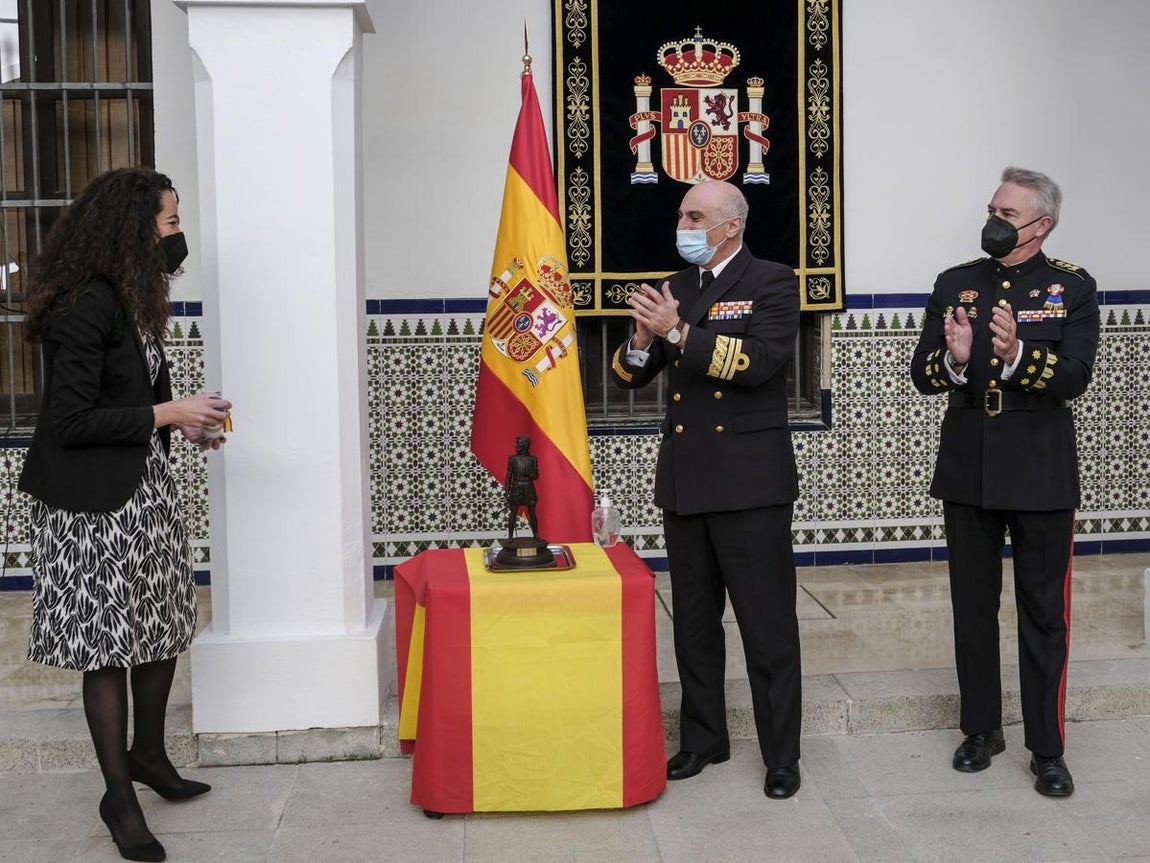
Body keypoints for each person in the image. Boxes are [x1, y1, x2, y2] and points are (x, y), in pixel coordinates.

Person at [19, 167, 233, 861]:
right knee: (109, 645)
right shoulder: (83, 304)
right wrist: (169, 411)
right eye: (170, 222)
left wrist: (186, 426)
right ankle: (119, 793)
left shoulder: (132, 298)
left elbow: (134, 402)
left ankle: (148, 754)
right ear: (134, 228)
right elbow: (73, 421)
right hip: (90, 505)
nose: (178, 234)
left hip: (142, 487)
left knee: (162, 621)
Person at [610, 179, 803, 800]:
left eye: (695, 215)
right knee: (693, 622)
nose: (683, 223)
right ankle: (702, 739)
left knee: (766, 624)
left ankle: (781, 755)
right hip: (687, 478)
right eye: (682, 213)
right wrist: (642, 340)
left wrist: (678, 334)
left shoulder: (772, 281)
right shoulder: (679, 287)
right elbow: (631, 378)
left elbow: (760, 364)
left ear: (730, 226)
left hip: (750, 484)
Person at [910, 166, 1100, 798]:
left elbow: (1074, 377)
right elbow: (922, 375)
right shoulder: (956, 284)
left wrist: (1017, 355)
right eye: (992, 207)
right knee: (972, 606)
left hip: (1041, 467)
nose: (993, 221)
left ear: (1041, 225)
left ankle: (1047, 747)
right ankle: (980, 729)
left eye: (1009, 214)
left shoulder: (1072, 287)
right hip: (968, 466)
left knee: (1044, 613)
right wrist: (957, 361)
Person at [505, 434, 540, 539]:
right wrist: (507, 491)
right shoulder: (512, 459)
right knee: (513, 513)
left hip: (528, 487)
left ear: (525, 445)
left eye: (518, 443)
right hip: (516, 487)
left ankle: (536, 535)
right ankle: (510, 536)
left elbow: (536, 476)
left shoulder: (533, 459)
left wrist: (529, 473)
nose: (516, 445)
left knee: (532, 513)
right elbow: (508, 477)